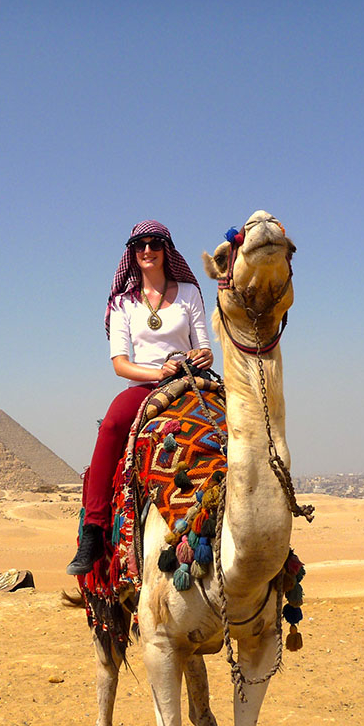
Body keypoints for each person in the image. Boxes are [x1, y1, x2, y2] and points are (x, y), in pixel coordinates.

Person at [67, 220, 213, 576]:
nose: (147, 250)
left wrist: (203, 356)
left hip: (190, 380)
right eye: (139, 245)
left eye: (155, 243)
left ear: (167, 250)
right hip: (147, 383)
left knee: (239, 422)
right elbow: (120, 364)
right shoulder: (122, 303)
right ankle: (94, 528)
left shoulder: (190, 292)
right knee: (113, 425)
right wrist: (156, 374)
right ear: (131, 253)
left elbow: (204, 347)